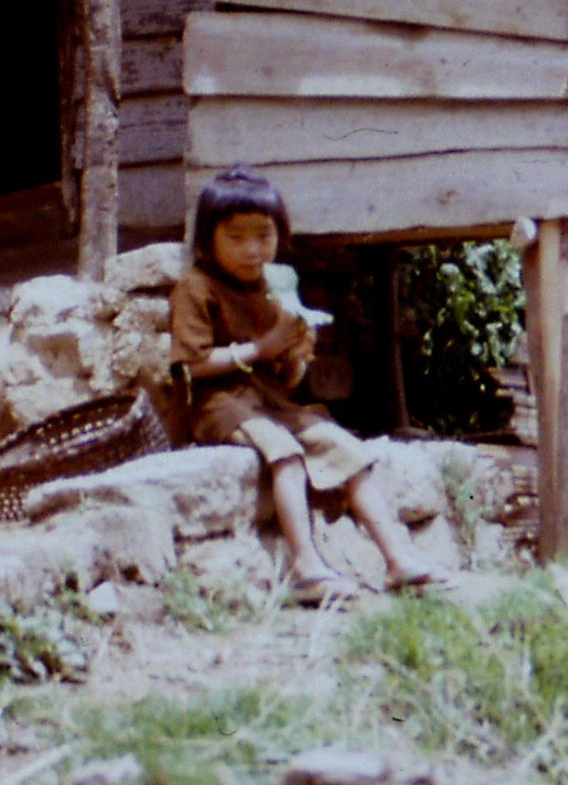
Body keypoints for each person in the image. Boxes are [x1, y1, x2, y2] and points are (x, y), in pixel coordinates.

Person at [170, 165, 449, 605]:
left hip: (271, 402)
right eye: (236, 237)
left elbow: (288, 381)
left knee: (346, 450)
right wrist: (262, 348)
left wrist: (296, 356)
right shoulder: (196, 287)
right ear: (207, 242)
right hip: (220, 405)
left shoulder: (274, 291)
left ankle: (399, 558)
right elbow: (193, 365)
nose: (252, 249)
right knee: (286, 454)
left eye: (263, 235)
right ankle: (306, 566)